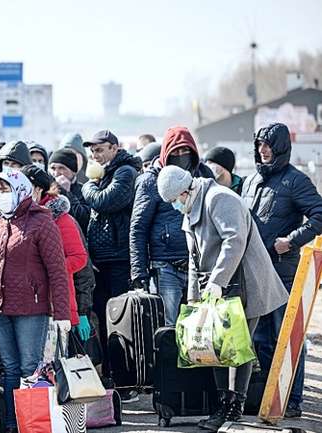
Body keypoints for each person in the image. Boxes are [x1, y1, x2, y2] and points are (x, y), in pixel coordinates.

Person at [157, 165, 288, 431]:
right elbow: (194, 258)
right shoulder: (191, 207)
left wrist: (217, 282)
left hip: (244, 284)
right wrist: (193, 297)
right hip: (216, 289)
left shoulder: (220, 198)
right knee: (213, 347)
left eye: (174, 200)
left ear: (184, 191)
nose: (174, 206)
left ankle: (234, 407)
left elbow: (234, 241)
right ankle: (223, 404)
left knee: (237, 347)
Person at [0, 168, 71, 431]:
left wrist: (62, 314)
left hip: (30, 307)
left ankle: (33, 424)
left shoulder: (41, 221)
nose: (1, 195)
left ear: (20, 190)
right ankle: (13, 423)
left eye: (6, 189)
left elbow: (57, 270)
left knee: (30, 368)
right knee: (10, 367)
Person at [241, 122, 322, 418]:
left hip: (284, 271)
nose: (263, 150)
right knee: (261, 339)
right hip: (255, 272)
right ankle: (269, 395)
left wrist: (290, 240)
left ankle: (293, 400)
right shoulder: (249, 182)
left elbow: (319, 215)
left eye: (269, 144)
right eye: (260, 144)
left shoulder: (296, 181)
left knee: (286, 337)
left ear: (281, 147)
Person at [130, 126, 214, 326]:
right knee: (169, 325)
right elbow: (138, 228)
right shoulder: (150, 180)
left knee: (200, 327)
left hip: (200, 265)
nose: (181, 156)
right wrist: (139, 273)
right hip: (165, 265)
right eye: (175, 152)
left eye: (185, 151)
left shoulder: (203, 174)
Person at [81, 130, 140, 390]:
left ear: (115, 148)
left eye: (100, 149)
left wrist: (88, 186)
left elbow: (107, 201)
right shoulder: (102, 174)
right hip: (100, 259)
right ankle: (110, 375)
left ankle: (125, 378)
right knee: (103, 321)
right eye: (92, 151)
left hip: (119, 258)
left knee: (120, 322)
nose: (96, 155)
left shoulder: (125, 172)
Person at [22, 166, 89, 336]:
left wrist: (49, 269)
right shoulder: (15, 217)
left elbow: (79, 258)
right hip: (24, 302)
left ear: (39, 189)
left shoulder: (60, 218)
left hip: (56, 302)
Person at [49, 148, 89, 233]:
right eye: (53, 168)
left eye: (61, 168)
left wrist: (67, 193)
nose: (56, 173)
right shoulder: (46, 189)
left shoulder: (84, 190)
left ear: (73, 171)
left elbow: (84, 220)